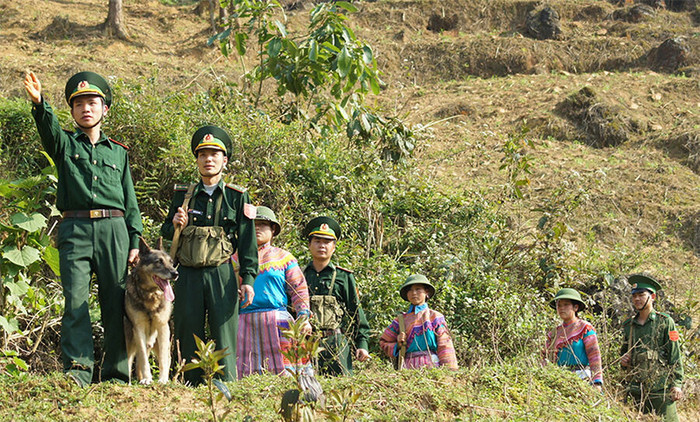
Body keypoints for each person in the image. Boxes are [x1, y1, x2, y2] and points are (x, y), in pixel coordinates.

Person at [23, 71, 143, 387]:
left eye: (92, 102)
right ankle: (77, 371)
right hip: (75, 228)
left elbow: (130, 200)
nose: (86, 109)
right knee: (75, 300)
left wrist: (134, 240)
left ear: (105, 108)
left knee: (114, 302)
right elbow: (48, 132)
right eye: (79, 104)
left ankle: (116, 374)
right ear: (73, 112)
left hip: (113, 230)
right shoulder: (64, 144)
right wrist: (40, 104)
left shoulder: (118, 151)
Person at [161, 125, 258, 385]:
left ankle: (225, 386)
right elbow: (166, 231)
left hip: (221, 273)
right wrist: (175, 222)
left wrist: (248, 279)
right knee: (186, 329)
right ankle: (188, 385)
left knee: (224, 333)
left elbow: (248, 241)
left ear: (224, 160)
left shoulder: (237, 197)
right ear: (197, 160)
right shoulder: (183, 195)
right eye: (203, 154)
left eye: (214, 154)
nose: (208, 159)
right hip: (188, 274)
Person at [232, 206, 312, 378]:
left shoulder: (283, 257)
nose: (257, 228)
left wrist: (303, 318)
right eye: (253, 225)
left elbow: (299, 290)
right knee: (244, 376)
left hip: (278, 321)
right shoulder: (233, 259)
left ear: (273, 229)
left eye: (263, 224)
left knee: (289, 375)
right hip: (243, 322)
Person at [302, 216, 370, 376]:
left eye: (327, 242)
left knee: (342, 391)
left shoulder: (344, 277)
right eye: (317, 241)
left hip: (336, 343)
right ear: (309, 245)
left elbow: (356, 313)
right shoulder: (298, 274)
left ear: (333, 247)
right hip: (305, 344)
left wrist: (362, 344)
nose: (322, 246)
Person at [620, 274, 684, 422]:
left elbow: (675, 356)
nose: (637, 299)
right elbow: (623, 355)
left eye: (641, 295)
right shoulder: (628, 325)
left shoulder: (666, 322)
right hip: (636, 390)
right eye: (634, 295)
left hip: (661, 390)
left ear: (653, 296)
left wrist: (677, 384)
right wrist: (623, 361)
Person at [379, 274, 458, 370]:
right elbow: (384, 341)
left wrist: (450, 371)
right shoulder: (400, 321)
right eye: (410, 290)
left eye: (418, 289)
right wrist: (398, 344)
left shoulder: (435, 317)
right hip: (407, 367)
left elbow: (445, 345)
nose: (414, 293)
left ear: (426, 292)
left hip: (432, 366)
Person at [542, 288, 603, 391]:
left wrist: (596, 381)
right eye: (559, 305)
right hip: (559, 381)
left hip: (583, 380)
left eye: (566, 305)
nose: (561, 308)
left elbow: (594, 356)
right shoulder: (554, 333)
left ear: (575, 307)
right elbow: (545, 358)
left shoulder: (585, 328)